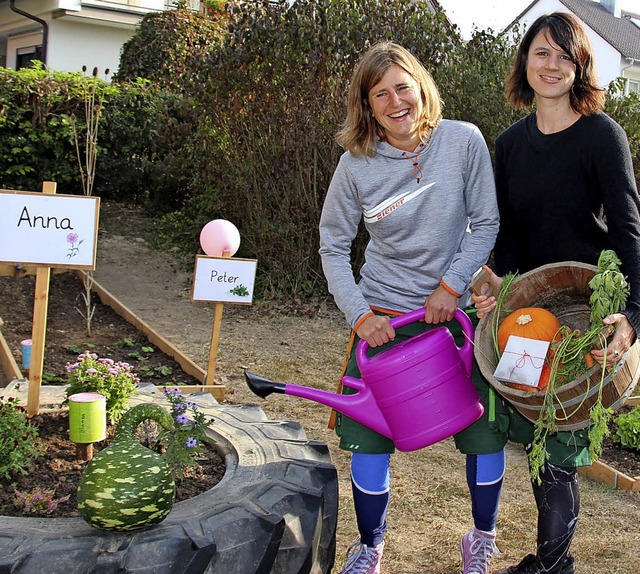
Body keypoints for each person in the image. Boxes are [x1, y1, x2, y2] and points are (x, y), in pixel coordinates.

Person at [318, 41, 507, 574]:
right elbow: (332, 245)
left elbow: (485, 223)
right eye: (381, 94)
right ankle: (371, 547)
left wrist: (451, 286)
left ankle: (482, 539)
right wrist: (361, 316)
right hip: (385, 324)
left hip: (458, 323)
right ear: (367, 105)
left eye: (403, 86)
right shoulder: (355, 165)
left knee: (484, 435)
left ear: (421, 86)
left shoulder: (463, 140)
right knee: (369, 440)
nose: (396, 101)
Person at [473, 12, 640, 574]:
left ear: (580, 67)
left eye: (565, 56)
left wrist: (634, 315)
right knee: (537, 434)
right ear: (525, 60)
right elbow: (508, 233)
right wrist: (500, 283)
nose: (552, 65)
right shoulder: (510, 144)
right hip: (532, 313)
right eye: (541, 53)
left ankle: (551, 565)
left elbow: (627, 229)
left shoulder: (601, 135)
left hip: (587, 309)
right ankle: (554, 562)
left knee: (562, 448)